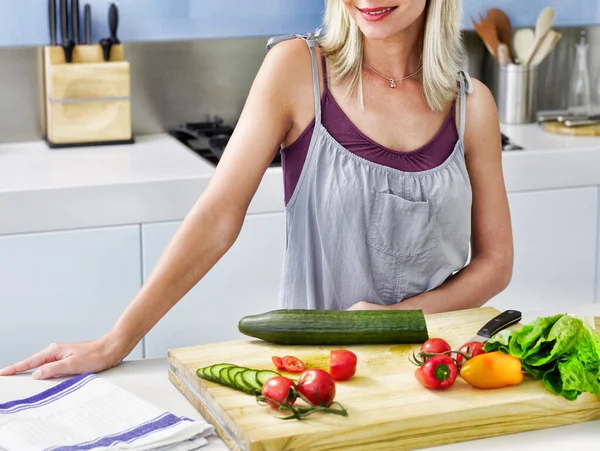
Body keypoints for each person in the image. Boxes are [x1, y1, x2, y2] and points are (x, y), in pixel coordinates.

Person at [0, 0, 513, 380]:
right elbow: (218, 214)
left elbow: (495, 262)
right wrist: (118, 340)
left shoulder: (474, 106)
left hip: (445, 373)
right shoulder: (297, 70)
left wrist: (397, 320)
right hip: (321, 380)